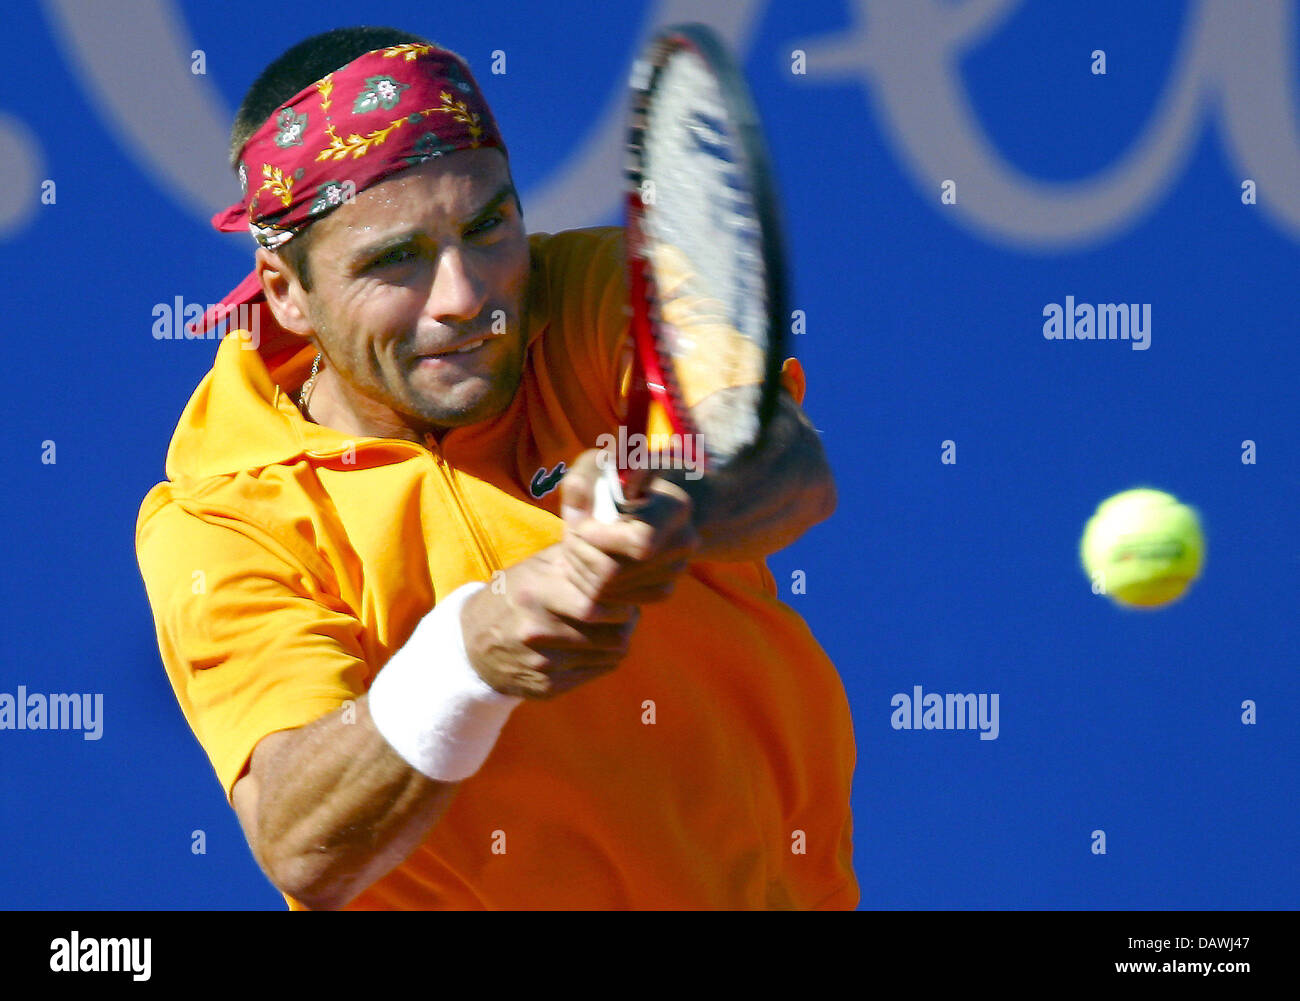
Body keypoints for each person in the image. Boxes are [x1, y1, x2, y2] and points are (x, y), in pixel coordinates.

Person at [136, 25, 858, 910]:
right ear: (287, 291)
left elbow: (791, 470)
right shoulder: (220, 515)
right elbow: (300, 844)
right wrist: (470, 654)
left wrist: (672, 501)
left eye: (488, 226)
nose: (465, 295)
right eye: (394, 259)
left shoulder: (598, 294)